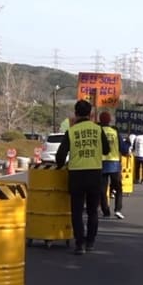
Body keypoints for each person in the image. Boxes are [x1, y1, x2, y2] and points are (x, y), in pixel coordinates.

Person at [55, 100, 110, 255]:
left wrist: (59, 166)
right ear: (90, 114)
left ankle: (79, 244)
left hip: (77, 174)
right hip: (95, 173)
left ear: (76, 113)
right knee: (93, 210)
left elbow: (61, 155)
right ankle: (90, 242)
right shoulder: (98, 129)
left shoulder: (71, 132)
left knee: (77, 211)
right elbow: (106, 150)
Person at [98, 111, 126, 219]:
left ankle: (106, 211)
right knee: (118, 188)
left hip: (101, 163)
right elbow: (123, 149)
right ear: (109, 120)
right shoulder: (115, 132)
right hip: (114, 163)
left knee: (102, 189)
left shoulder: (97, 131)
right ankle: (118, 209)